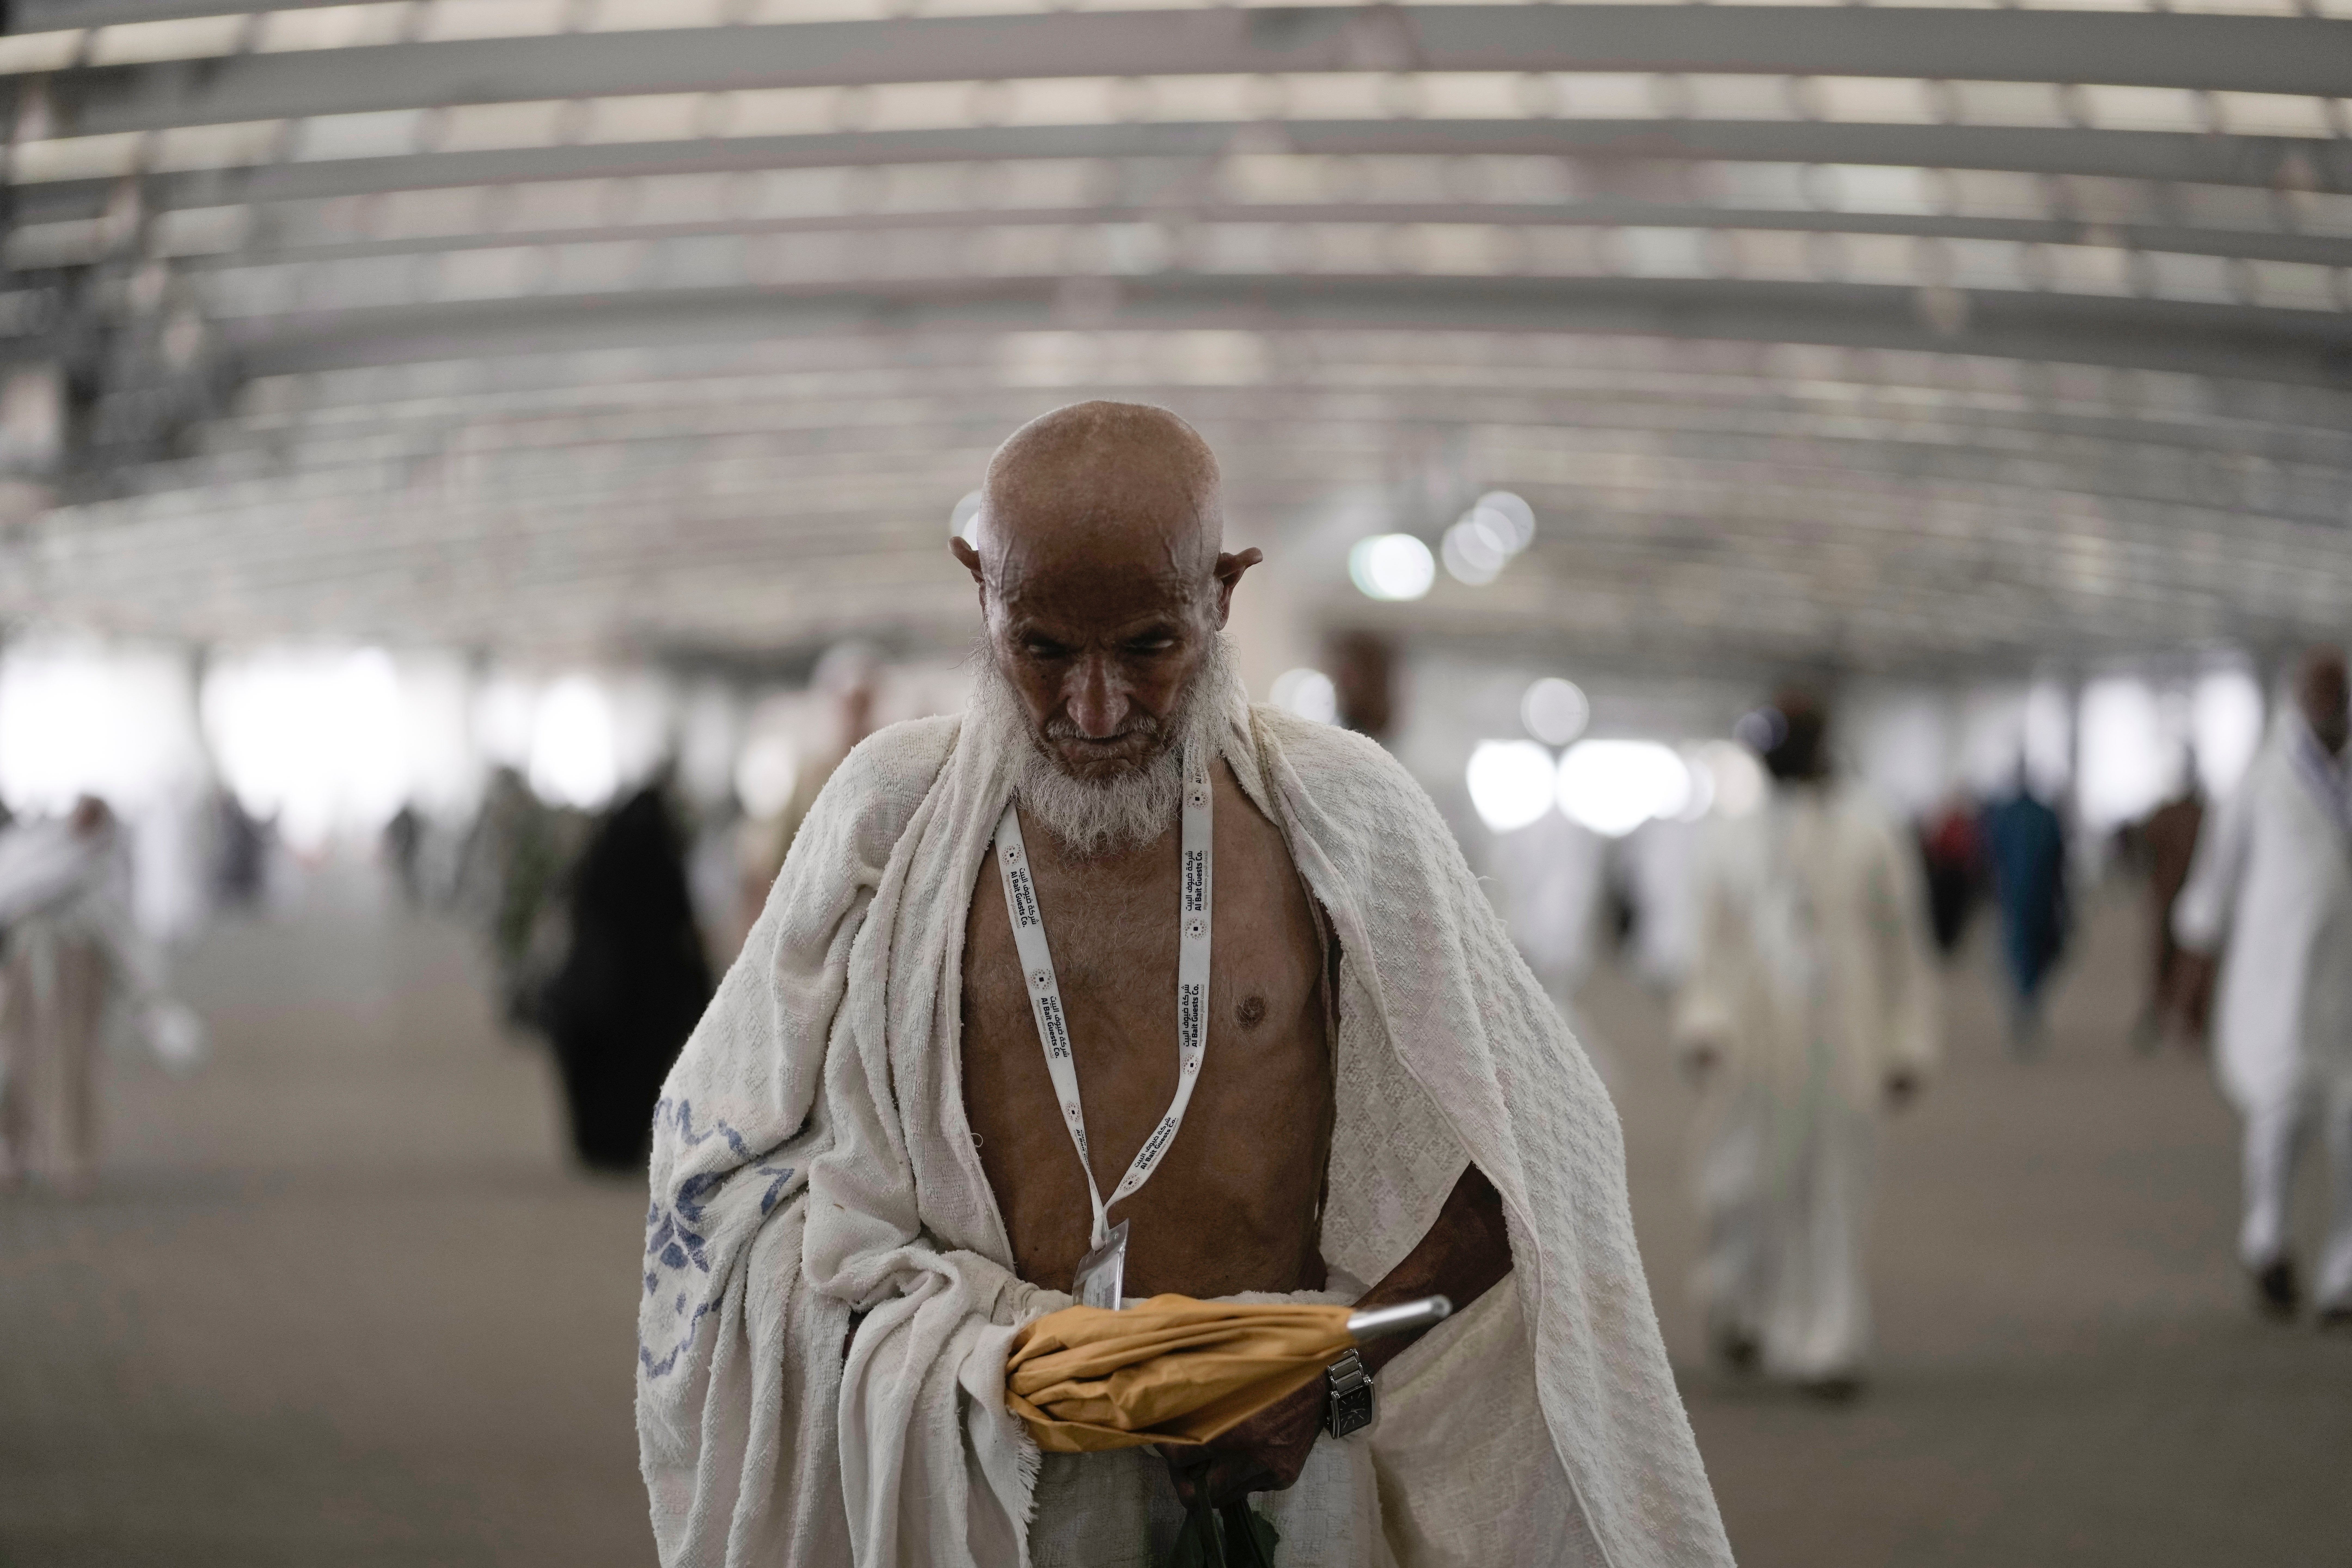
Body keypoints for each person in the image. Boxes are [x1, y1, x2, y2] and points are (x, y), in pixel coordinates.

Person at [636, 404, 1731, 1567]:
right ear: (979, 594)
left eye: (1149, 648)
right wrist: (950, 1351)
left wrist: (1330, 1369)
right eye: (1043, 650)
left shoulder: (1341, 815)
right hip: (985, 1469)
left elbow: (1544, 1144)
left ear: (1221, 596)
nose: (1095, 710)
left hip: (1277, 1459)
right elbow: (717, 1160)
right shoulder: (885, 818)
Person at [1674, 694, 1939, 1397]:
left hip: (1842, 1042)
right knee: (1743, 1187)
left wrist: (1907, 1043)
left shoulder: (1870, 830)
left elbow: (1901, 945)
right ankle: (1738, 1300)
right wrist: (1704, 1023)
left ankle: (1827, 1345)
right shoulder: (1732, 835)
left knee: (1833, 1191)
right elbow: (1712, 943)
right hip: (1753, 1049)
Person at [2173, 646, 2352, 1327]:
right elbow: (2213, 883)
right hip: (2277, 980)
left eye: (2339, 689)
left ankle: (2343, 1276)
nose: (2330, 701)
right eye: (2319, 689)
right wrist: (2190, 983)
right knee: (2278, 1115)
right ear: (2298, 695)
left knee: (2349, 1125)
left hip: (2346, 983)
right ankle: (2267, 1239)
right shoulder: (2261, 777)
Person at [0, 797, 204, 1192]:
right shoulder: (37, 855)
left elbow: (120, 935)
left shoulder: (100, 869)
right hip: (26, 964)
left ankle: (70, 1157)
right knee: (14, 1058)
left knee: (70, 1062)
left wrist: (150, 998)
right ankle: (14, 1148)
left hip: (77, 967)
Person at [543, 779, 712, 1172]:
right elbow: (681, 925)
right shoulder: (661, 862)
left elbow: (580, 903)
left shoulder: (604, 861)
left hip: (605, 987)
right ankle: (616, 1144)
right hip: (649, 994)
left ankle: (600, 1145)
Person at [1978, 769, 2069, 1055]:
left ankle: (2026, 999)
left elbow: (1991, 855)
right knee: (2025, 950)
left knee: (2028, 950)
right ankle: (2026, 1000)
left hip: (2023, 896)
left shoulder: (2017, 816)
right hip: (2024, 897)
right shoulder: (2032, 816)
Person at [2133, 773, 2209, 1055]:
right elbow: (2147, 850)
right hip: (2170, 897)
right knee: (2166, 959)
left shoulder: (2205, 817)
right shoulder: (2172, 817)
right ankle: (2160, 1017)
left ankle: (2192, 1022)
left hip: (2193, 899)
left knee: (2195, 960)